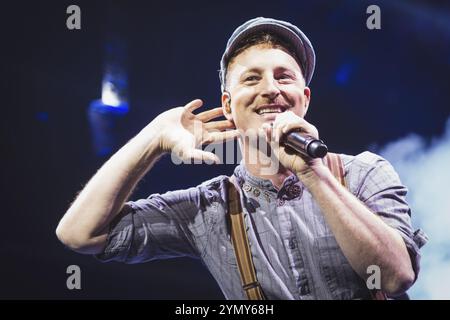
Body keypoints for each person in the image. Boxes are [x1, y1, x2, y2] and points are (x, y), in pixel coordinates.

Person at [56, 17, 427, 300]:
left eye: (284, 77)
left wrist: (315, 175)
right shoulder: (209, 208)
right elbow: (79, 234)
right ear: (228, 107)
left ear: (305, 99)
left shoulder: (365, 173)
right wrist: (151, 139)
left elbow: (396, 276)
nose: (270, 89)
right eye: (252, 79)